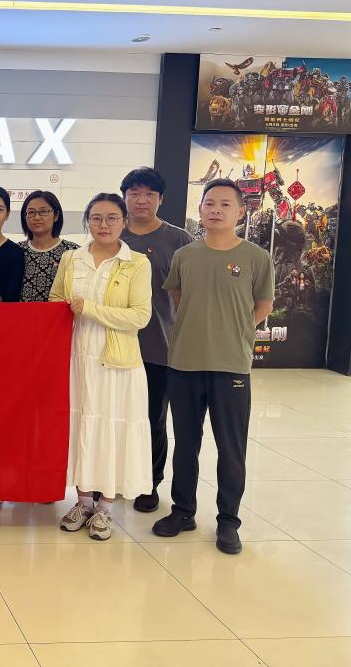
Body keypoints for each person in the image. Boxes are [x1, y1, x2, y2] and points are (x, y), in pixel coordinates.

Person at [153, 179, 274, 555]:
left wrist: (235, 331)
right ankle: (183, 511)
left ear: (241, 212)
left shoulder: (256, 257)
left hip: (231, 366)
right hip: (184, 364)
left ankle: (228, 521)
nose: (216, 210)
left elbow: (264, 305)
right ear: (200, 209)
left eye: (225, 204)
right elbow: (178, 296)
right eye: (209, 203)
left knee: (231, 448)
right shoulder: (185, 255)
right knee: (185, 444)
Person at [51, 193, 152, 540]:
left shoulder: (136, 263)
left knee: (110, 429)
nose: (103, 225)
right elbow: (55, 301)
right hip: (77, 359)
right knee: (82, 427)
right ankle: (82, 502)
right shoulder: (71, 259)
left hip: (117, 363)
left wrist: (90, 309)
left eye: (111, 218)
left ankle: (105, 508)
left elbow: (140, 316)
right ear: (87, 221)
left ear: (124, 221)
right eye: (96, 218)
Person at [119, 167, 192, 512]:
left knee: (152, 419)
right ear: (124, 198)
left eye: (149, 194)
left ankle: (149, 483)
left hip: (158, 347)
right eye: (134, 193)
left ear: (160, 199)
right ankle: (113, 479)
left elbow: (189, 296)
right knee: (114, 415)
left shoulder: (179, 241)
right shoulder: (112, 236)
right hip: (114, 344)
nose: (141, 200)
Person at [19, 190, 80, 302]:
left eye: (43, 212)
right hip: (20, 313)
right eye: (31, 212)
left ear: (56, 216)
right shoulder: (16, 251)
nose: (37, 217)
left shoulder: (73, 252)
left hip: (59, 313)